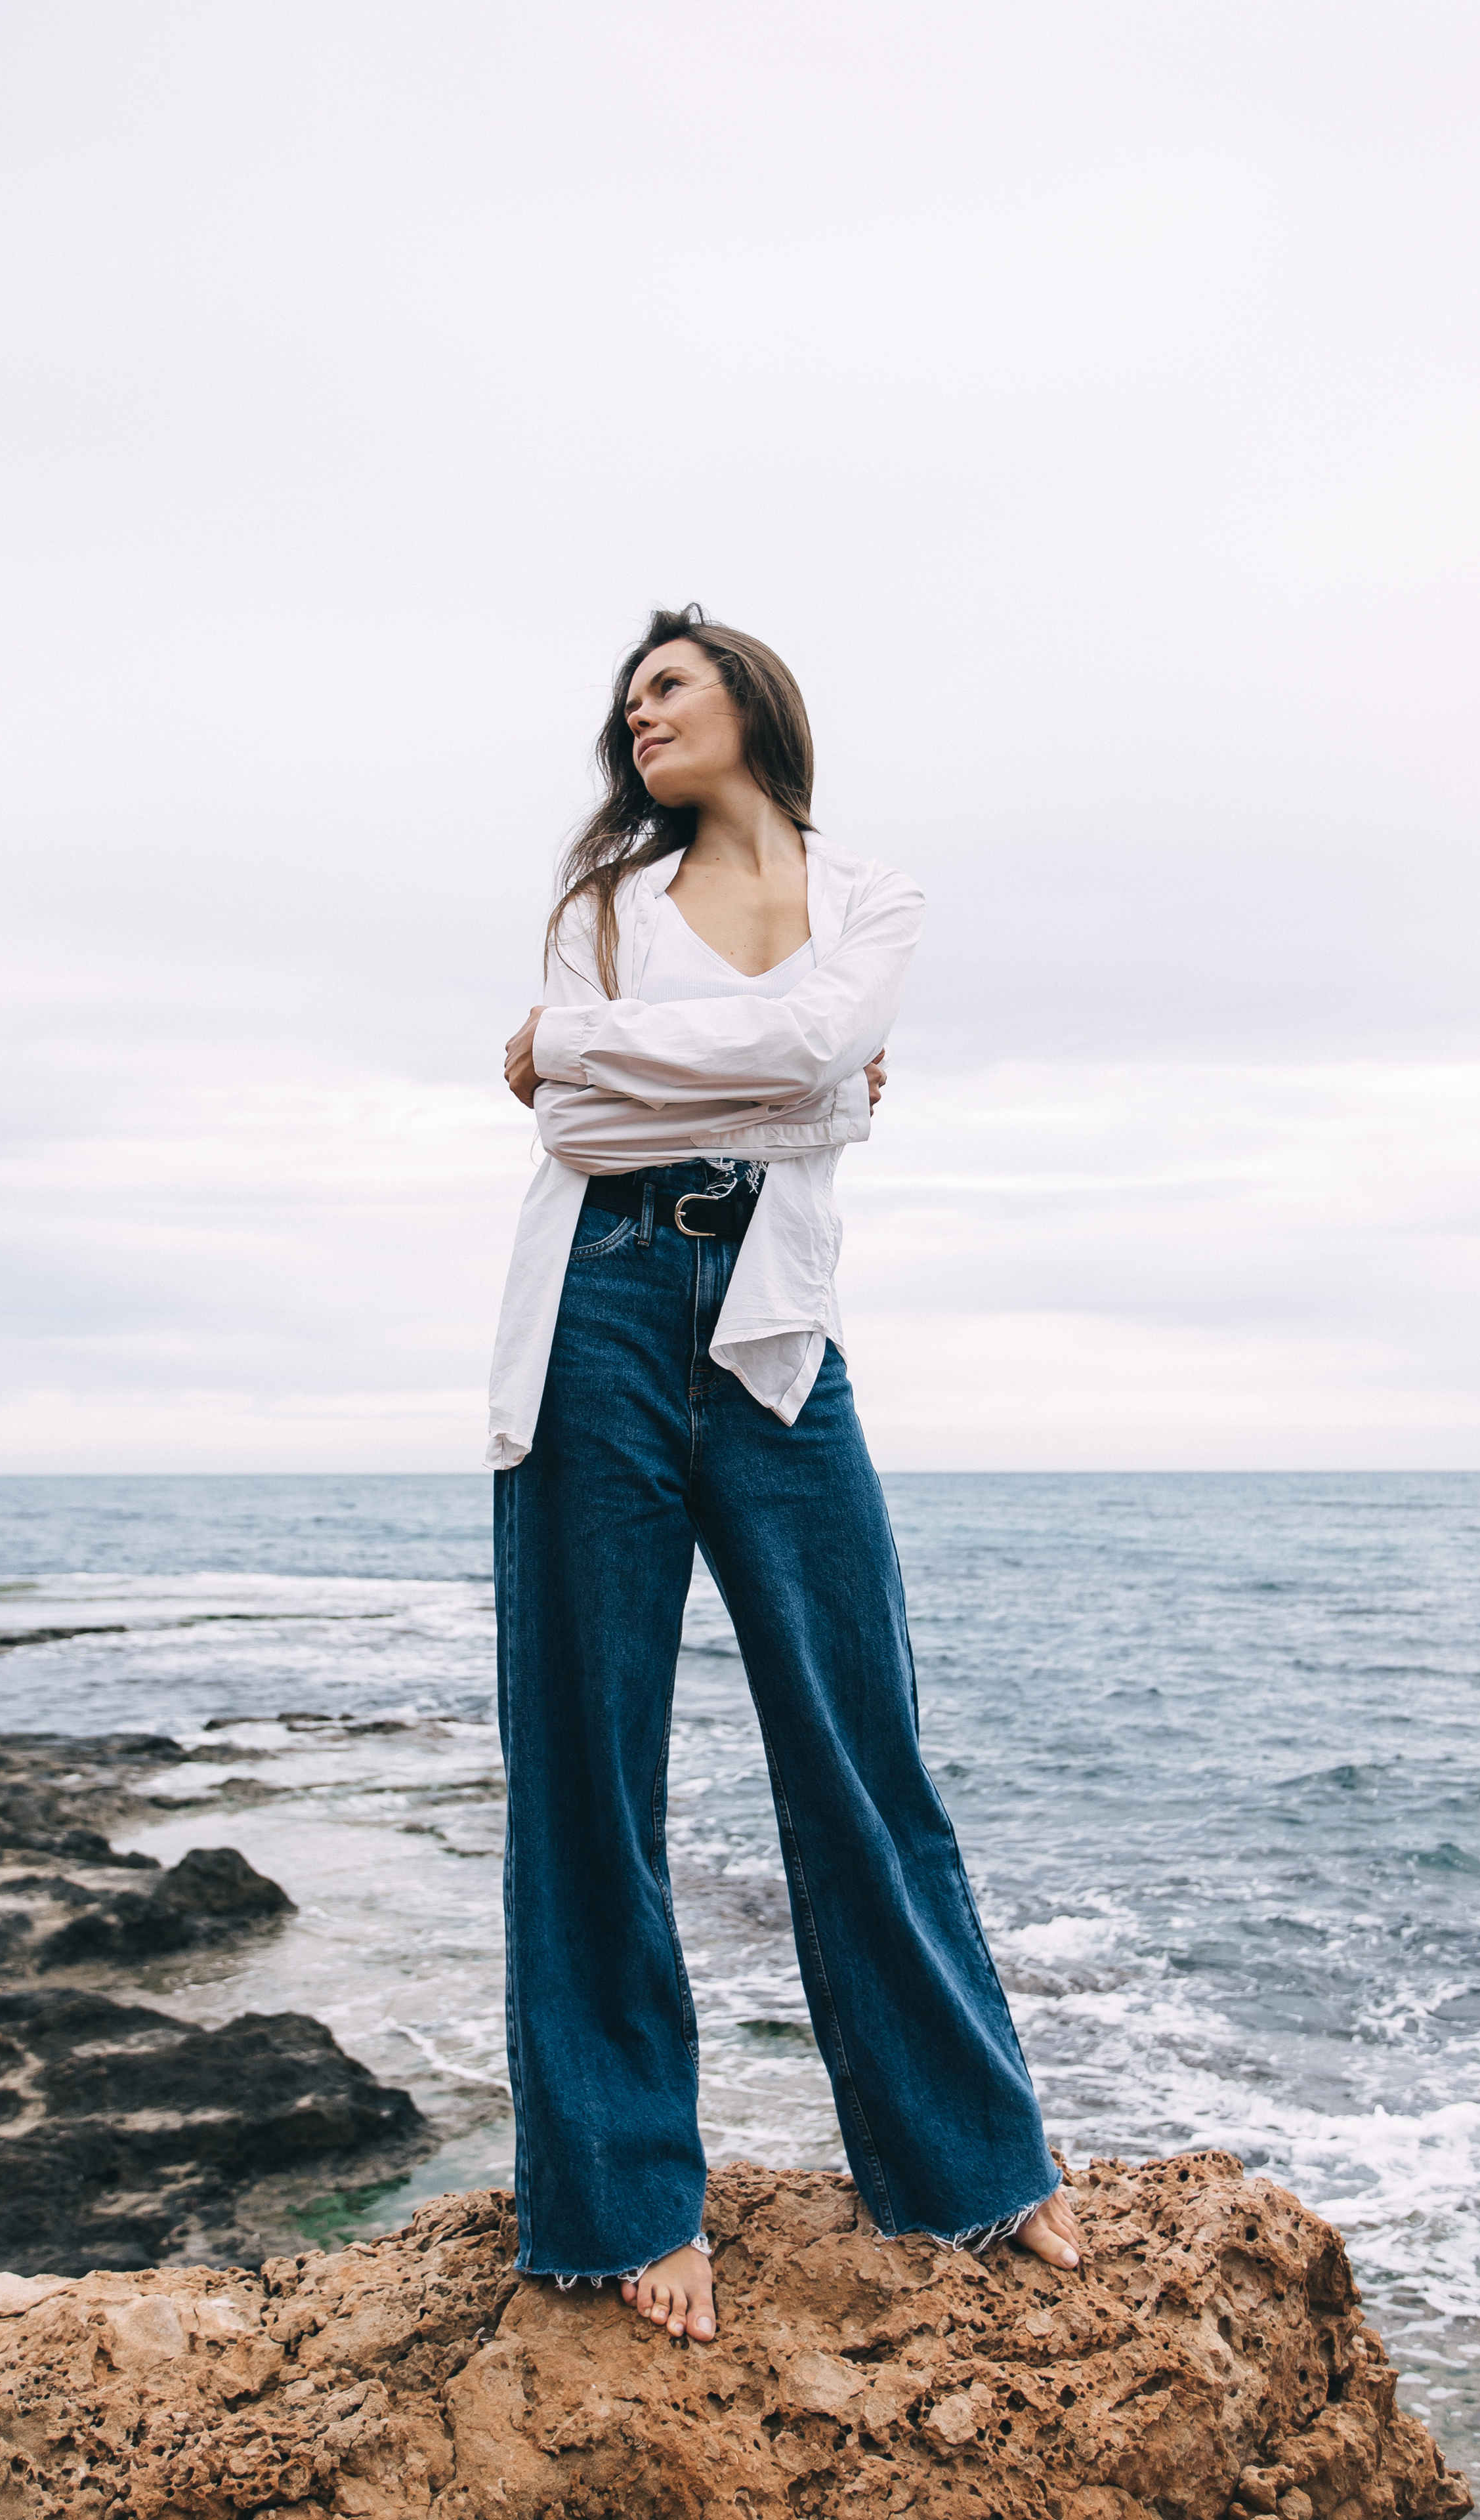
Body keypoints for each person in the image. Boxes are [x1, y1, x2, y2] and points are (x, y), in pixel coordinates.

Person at [489, 605, 1082, 2347]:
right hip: (592, 1312)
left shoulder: (871, 897)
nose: (638, 713)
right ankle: (614, 2205)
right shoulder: (600, 906)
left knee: (860, 1746)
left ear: (750, 696)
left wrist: (602, 1050)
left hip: (775, 1337)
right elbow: (579, 1134)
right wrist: (800, 1090)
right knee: (588, 1767)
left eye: (668, 683)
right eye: (627, 700)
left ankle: (974, 2163)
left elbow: (804, 1062)